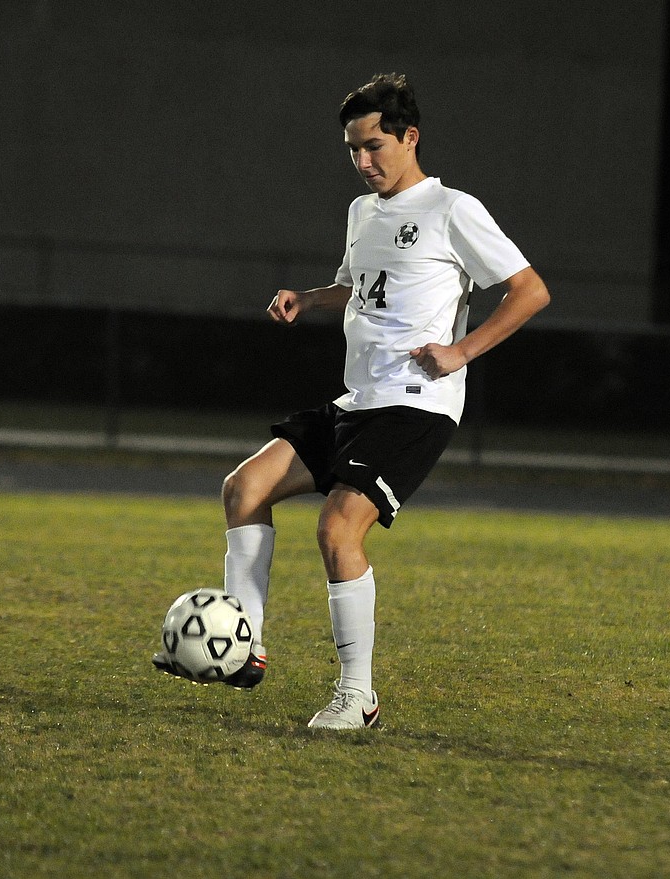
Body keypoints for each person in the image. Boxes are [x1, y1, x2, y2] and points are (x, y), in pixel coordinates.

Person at [155, 73, 550, 729]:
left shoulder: (453, 209)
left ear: (409, 137)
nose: (363, 162)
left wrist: (461, 351)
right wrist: (309, 299)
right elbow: (358, 288)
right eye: (352, 149)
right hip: (356, 400)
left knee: (338, 528)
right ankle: (243, 647)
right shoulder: (362, 213)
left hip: (416, 405)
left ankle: (357, 693)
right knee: (243, 487)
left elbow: (530, 290)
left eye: (373, 146)